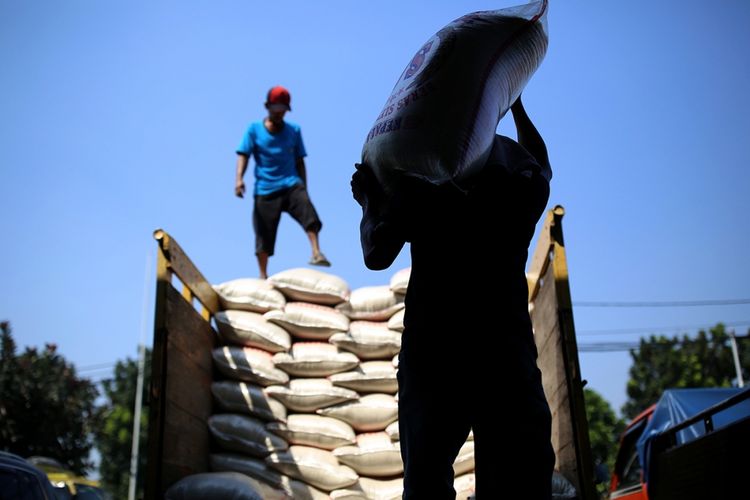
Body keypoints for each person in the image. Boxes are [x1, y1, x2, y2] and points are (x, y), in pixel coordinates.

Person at [351, 96, 555, 499]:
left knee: (426, 479)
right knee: (519, 480)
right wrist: (515, 104)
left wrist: (369, 202)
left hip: (434, 357)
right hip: (503, 355)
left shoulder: (421, 185)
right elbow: (541, 163)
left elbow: (377, 253)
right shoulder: (520, 180)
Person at [235, 85, 330, 279]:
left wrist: (304, 187)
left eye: (283, 112)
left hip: (291, 183)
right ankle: (263, 275)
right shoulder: (253, 130)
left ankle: (316, 252)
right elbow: (244, 155)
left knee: (308, 212)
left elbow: (300, 161)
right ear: (267, 106)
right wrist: (239, 179)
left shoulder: (294, 130)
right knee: (263, 234)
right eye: (276, 111)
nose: (279, 115)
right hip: (265, 188)